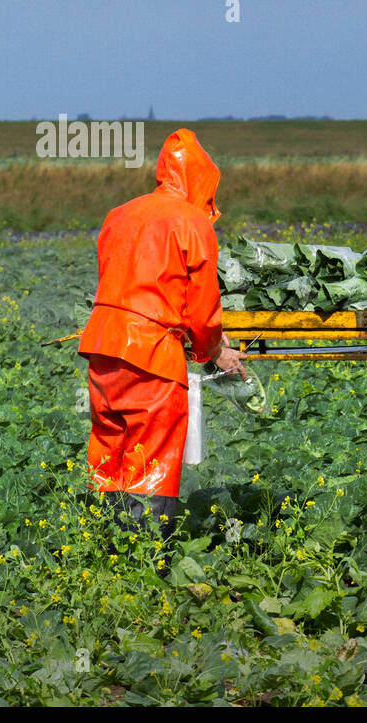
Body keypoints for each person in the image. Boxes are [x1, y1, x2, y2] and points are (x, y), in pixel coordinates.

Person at [78, 128, 248, 542]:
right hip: (152, 355)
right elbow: (203, 311)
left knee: (111, 449)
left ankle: (105, 549)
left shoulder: (118, 215)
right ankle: (145, 558)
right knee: (151, 456)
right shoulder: (193, 224)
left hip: (102, 349)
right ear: (201, 181)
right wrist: (212, 352)